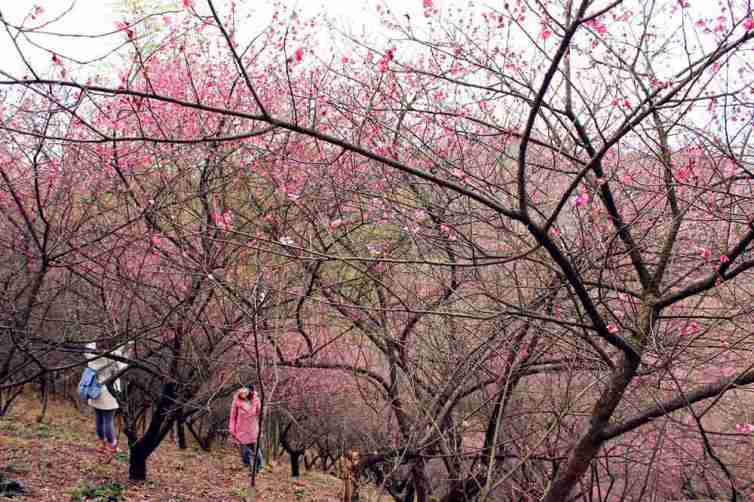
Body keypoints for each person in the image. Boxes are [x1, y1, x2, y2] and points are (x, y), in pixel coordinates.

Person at [84, 341, 131, 457]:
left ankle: (102, 444)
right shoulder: (113, 357)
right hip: (109, 392)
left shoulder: (92, 355)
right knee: (108, 420)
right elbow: (124, 365)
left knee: (99, 419)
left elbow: (88, 346)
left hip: (95, 390)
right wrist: (127, 349)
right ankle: (112, 445)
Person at [229, 385, 263, 472]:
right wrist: (232, 429)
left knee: (257, 452)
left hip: (253, 430)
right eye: (241, 392)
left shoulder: (255, 400)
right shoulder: (236, 401)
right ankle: (250, 468)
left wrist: (256, 399)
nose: (243, 393)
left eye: (245, 392)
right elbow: (233, 417)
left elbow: (260, 413)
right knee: (245, 453)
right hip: (241, 430)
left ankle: (258, 468)